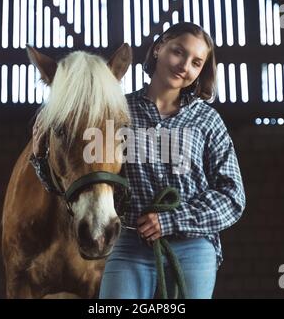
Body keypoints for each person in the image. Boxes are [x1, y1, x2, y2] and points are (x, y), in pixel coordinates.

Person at [31, 22, 246, 299]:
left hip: (192, 246)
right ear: (158, 49)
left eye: (196, 62)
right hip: (130, 243)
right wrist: (39, 157)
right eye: (178, 52)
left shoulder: (208, 121)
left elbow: (233, 197)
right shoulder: (118, 112)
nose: (185, 66)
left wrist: (170, 221)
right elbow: (85, 176)